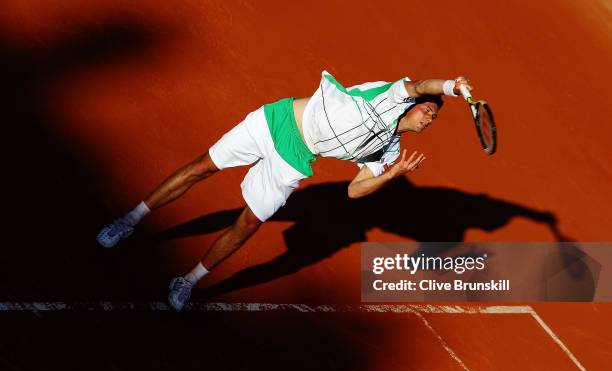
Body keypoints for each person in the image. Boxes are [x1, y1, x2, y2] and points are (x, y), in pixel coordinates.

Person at [96, 70, 473, 310]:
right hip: (273, 122)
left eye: (434, 118)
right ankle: (129, 220)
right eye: (428, 111)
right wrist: (452, 88)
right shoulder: (390, 97)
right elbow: (423, 85)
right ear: (413, 104)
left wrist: (390, 176)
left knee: (247, 224)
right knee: (201, 168)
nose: (429, 118)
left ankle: (188, 280)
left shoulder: (387, 150)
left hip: (294, 162)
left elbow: (355, 192)